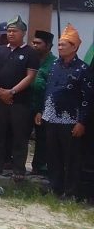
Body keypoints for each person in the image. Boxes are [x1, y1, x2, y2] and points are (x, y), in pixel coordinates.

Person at [39, 24, 92, 199]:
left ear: (74, 47)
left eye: (63, 44)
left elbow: (87, 98)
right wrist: (41, 111)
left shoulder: (83, 69)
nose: (60, 47)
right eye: (59, 44)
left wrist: (81, 122)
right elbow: (48, 90)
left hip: (71, 121)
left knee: (71, 159)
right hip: (51, 117)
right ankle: (55, 188)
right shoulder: (54, 65)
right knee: (53, 155)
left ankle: (71, 193)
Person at [0, 16, 40, 179]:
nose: (10, 34)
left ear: (23, 33)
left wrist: (11, 92)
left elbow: (30, 76)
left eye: (14, 31)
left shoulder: (30, 53)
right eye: (9, 31)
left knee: (19, 136)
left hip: (20, 102)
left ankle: (18, 170)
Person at [30, 30, 56, 176]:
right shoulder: (30, 59)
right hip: (26, 104)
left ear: (48, 46)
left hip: (44, 108)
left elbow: (51, 89)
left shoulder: (54, 63)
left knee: (42, 138)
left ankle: (39, 166)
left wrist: (41, 110)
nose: (35, 45)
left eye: (38, 43)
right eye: (33, 42)